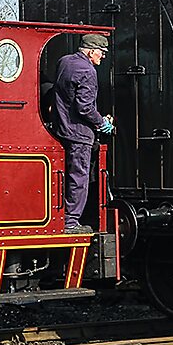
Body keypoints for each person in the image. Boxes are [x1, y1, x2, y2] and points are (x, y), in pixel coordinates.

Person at [53, 34, 114, 233]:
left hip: (61, 129)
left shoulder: (64, 62)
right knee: (79, 177)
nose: (103, 57)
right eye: (102, 53)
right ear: (90, 51)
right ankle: (70, 222)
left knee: (63, 174)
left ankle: (60, 216)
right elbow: (85, 108)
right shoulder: (88, 71)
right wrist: (102, 122)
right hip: (79, 133)